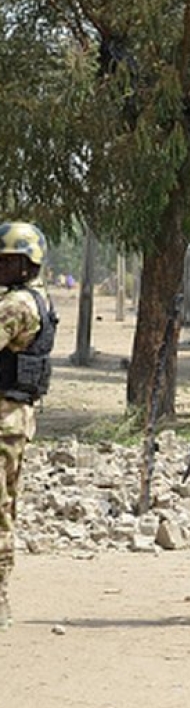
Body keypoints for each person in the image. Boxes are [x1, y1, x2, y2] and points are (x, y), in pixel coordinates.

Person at [0, 222, 56, 630]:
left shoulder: (16, 305)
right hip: (15, 419)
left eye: (5, 260)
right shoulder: (37, 298)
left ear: (24, 263)